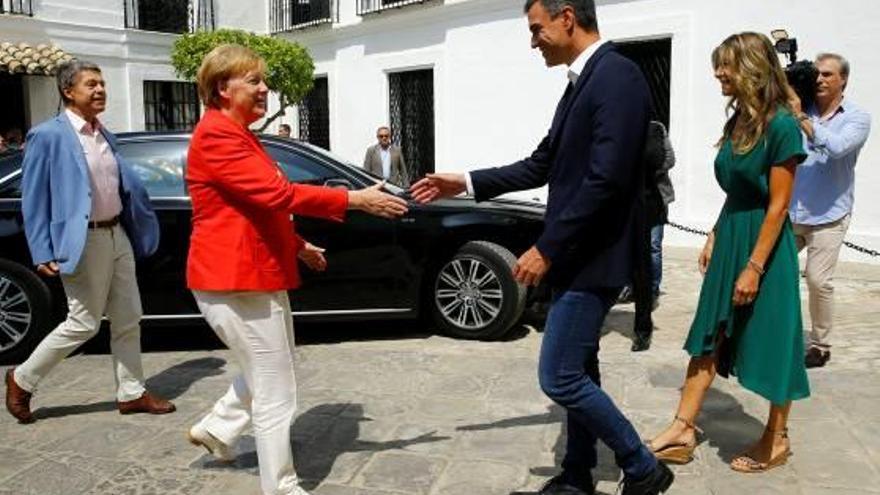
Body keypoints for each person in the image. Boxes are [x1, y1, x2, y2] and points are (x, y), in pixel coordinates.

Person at [411, 1, 673, 494]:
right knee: (581, 368)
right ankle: (577, 475)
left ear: (567, 18)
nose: (533, 42)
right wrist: (463, 180)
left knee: (559, 378)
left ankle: (642, 466)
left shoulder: (617, 77)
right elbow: (541, 164)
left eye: (537, 30)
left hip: (593, 258)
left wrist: (546, 247)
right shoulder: (583, 83)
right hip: (578, 255)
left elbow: (606, 181)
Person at [184, 44, 408, 495]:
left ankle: (219, 427)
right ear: (223, 88)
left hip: (254, 274)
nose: (265, 88)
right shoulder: (217, 136)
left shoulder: (237, 133)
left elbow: (256, 209)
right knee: (276, 388)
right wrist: (354, 199)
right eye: (254, 80)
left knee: (272, 369)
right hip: (236, 279)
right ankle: (281, 486)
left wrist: (299, 245)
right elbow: (277, 194)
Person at [646, 32, 810, 474]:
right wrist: (716, 233)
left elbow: (778, 205)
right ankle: (683, 426)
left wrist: (754, 266)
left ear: (753, 68)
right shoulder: (739, 120)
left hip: (765, 245)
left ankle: (776, 438)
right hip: (733, 233)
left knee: (776, 338)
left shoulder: (781, 125)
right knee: (708, 333)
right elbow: (737, 189)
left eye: (726, 65)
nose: (719, 73)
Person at [5, 60, 175, 424]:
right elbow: (34, 197)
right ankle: (22, 378)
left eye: (102, 84)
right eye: (91, 84)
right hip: (84, 239)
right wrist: (42, 249)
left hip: (117, 234)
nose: (100, 90)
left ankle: (131, 393)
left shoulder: (102, 133)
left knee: (129, 316)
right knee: (84, 323)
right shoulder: (48, 135)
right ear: (68, 91)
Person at [789, 53, 872, 368]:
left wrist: (802, 120)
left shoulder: (857, 117)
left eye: (827, 75)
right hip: (791, 213)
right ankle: (771, 332)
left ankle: (820, 345)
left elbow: (837, 148)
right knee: (768, 273)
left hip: (828, 215)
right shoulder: (801, 107)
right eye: (817, 75)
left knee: (818, 281)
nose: (820, 80)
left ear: (843, 80)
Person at [629, 120, 676, 352]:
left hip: (651, 202)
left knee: (648, 256)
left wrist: (643, 170)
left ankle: (643, 328)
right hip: (623, 205)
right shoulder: (616, 125)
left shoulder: (655, 129)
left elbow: (668, 159)